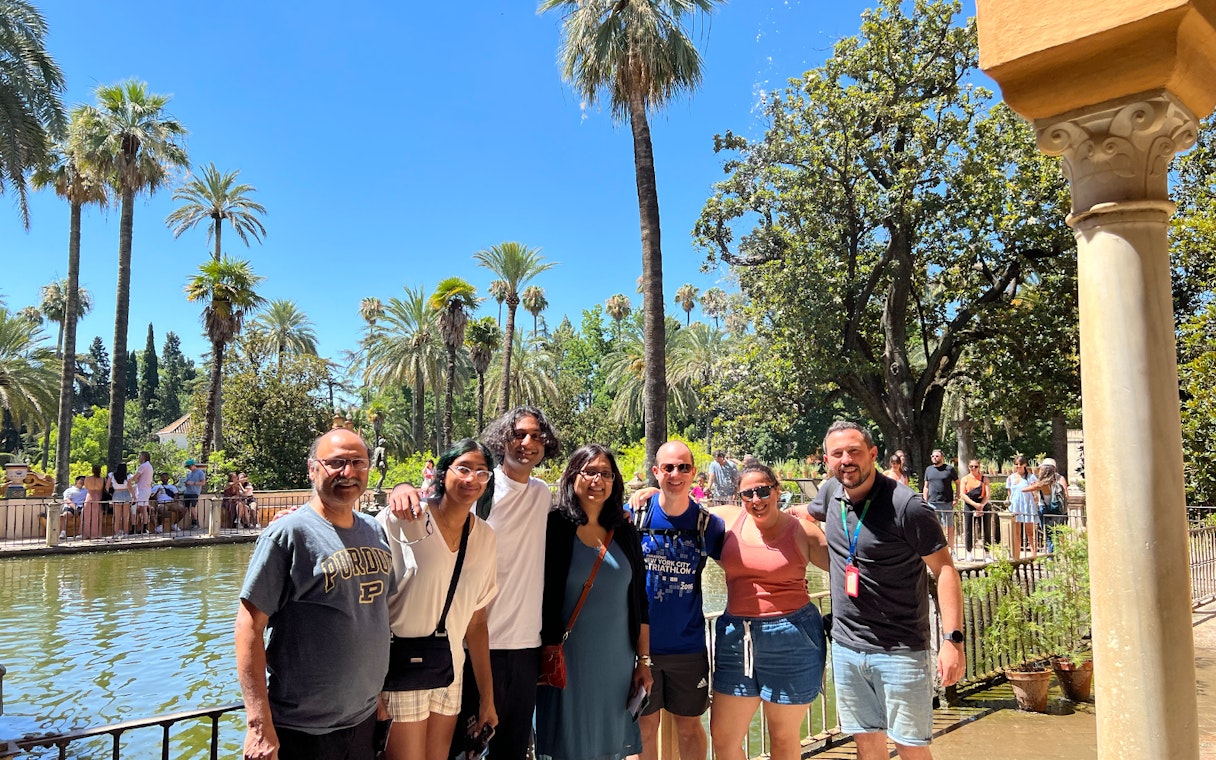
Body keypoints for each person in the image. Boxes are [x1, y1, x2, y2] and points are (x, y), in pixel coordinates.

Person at [390, 405, 560, 760]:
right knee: (464, 750)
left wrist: (641, 497)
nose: (527, 443)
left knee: (511, 748)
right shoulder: (482, 489)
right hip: (469, 648)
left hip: (525, 644)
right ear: (503, 438)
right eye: (518, 434)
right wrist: (403, 486)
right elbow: (427, 511)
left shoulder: (543, 494)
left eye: (535, 436)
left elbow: (581, 509)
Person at [235, 428, 395, 760]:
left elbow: (370, 616)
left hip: (363, 720)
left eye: (358, 463)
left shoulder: (375, 530)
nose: (348, 472)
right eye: (336, 462)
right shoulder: (288, 535)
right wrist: (258, 724)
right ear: (313, 469)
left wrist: (377, 700)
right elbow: (248, 628)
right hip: (303, 730)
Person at [808, 421, 963, 760]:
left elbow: (945, 569)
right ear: (826, 460)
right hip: (848, 647)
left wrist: (952, 641)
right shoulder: (829, 494)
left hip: (901, 649)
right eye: (837, 454)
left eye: (854, 451)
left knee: (911, 745)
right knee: (866, 743)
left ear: (873, 454)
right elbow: (801, 518)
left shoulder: (906, 506)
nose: (846, 460)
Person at [378, 439, 499, 760]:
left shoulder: (485, 538)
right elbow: (368, 603)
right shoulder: (405, 519)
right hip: (399, 668)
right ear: (443, 473)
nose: (471, 479)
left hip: (449, 671)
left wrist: (487, 699)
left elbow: (477, 623)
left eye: (481, 472)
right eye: (463, 469)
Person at [537, 444, 651, 760]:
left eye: (606, 473)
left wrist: (644, 662)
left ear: (615, 482)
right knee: (566, 746)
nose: (597, 480)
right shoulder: (554, 527)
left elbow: (640, 600)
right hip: (566, 661)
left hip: (616, 663)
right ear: (573, 476)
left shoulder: (625, 530)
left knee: (608, 748)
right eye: (589, 471)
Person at [711, 461, 829, 760]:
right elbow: (678, 508)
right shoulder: (726, 520)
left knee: (782, 737)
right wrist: (648, 492)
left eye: (763, 491)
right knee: (723, 739)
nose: (755, 500)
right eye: (747, 494)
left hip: (792, 636)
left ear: (777, 491)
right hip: (736, 637)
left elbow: (848, 568)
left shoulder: (803, 532)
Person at [632, 442, 726, 760]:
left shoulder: (707, 525)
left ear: (693, 473)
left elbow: (740, 562)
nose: (676, 474)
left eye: (683, 467)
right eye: (668, 468)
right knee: (645, 728)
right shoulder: (636, 514)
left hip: (688, 647)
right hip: (641, 649)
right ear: (656, 472)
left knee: (689, 727)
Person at [1025, 457, 1069, 553]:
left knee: (1049, 535)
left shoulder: (1041, 482)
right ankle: (1054, 555)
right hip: (1057, 509)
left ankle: (1051, 556)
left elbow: (1024, 489)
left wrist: (1036, 486)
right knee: (1056, 534)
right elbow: (1066, 495)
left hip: (1045, 508)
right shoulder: (1060, 479)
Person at [921, 449, 959, 557]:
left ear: (942, 457)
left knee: (949, 527)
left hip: (947, 502)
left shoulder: (949, 469)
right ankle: (938, 550)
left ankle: (952, 550)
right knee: (935, 527)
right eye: (933, 456)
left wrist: (957, 497)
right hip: (932, 502)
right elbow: (926, 486)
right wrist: (925, 499)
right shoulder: (928, 470)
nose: (934, 458)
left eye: (937, 456)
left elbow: (958, 483)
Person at [1005, 456, 1038, 560]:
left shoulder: (1031, 477)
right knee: (1016, 533)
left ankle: (1034, 556)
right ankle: (1017, 557)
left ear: (1024, 464)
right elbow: (1010, 493)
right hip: (1015, 506)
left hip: (1027, 505)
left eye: (1020, 464)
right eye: (1016, 464)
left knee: (1030, 532)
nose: (1018, 466)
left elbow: (1035, 491)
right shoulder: (1010, 478)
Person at [960, 460, 992, 563]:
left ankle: (987, 553)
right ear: (968, 467)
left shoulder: (984, 479)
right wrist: (975, 505)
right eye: (971, 466)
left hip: (982, 503)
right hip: (970, 504)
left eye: (976, 466)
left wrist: (981, 505)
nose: (973, 468)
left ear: (979, 467)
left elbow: (987, 494)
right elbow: (963, 494)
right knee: (968, 528)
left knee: (986, 528)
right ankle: (969, 552)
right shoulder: (965, 479)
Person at [108, 462, 133, 539]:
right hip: (126, 494)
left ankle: (116, 533)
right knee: (126, 516)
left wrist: (112, 494)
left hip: (116, 494)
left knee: (117, 516)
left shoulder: (112, 475)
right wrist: (134, 496)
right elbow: (130, 487)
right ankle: (125, 533)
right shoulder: (128, 476)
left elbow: (107, 487)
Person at [132, 451, 154, 534]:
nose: (139, 458)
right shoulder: (149, 466)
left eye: (140, 456)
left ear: (143, 457)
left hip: (142, 490)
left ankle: (136, 526)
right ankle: (144, 527)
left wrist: (134, 479)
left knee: (138, 508)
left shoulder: (143, 466)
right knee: (144, 508)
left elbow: (135, 477)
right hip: (147, 489)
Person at [81, 465, 104, 540]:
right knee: (97, 517)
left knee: (87, 516)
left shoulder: (87, 478)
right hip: (98, 497)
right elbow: (102, 489)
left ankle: (86, 534)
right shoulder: (102, 479)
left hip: (89, 496)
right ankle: (96, 534)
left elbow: (86, 487)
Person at [182, 459, 205, 530]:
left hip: (194, 493)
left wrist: (194, 483)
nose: (189, 468)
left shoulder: (200, 473)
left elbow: (203, 483)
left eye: (189, 466)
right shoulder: (189, 474)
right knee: (187, 508)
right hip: (187, 492)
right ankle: (192, 523)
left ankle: (196, 523)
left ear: (193, 465)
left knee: (192, 508)